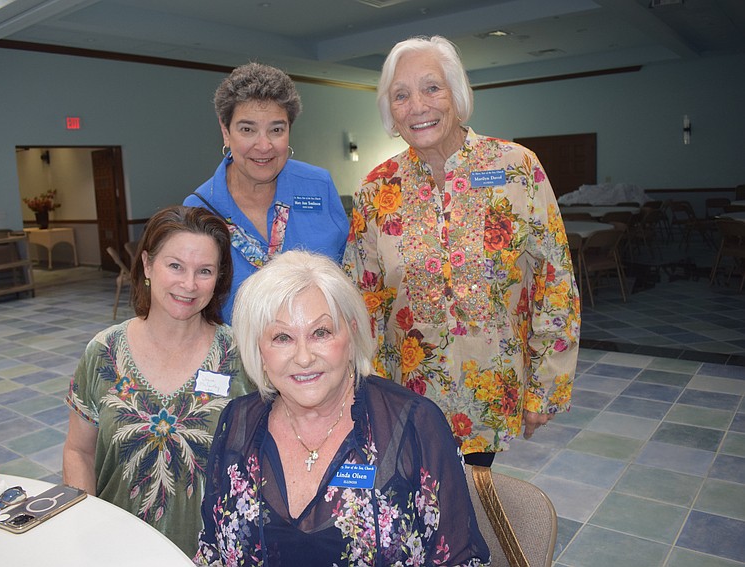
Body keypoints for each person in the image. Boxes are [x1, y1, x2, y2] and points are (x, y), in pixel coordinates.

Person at [344, 36, 580, 468]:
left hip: (489, 393)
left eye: (432, 87)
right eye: (402, 95)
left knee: (470, 508)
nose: (418, 105)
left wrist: (545, 387)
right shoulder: (377, 188)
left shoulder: (517, 168)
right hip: (405, 398)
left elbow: (555, 281)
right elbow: (362, 299)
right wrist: (364, 395)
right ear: (390, 112)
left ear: (457, 93)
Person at [195, 250, 490, 566]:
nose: (304, 357)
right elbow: (213, 551)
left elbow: (458, 559)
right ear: (259, 350)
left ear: (350, 334)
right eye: (282, 337)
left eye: (320, 333)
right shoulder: (239, 422)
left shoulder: (415, 424)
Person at [62, 205, 254, 555]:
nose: (189, 284)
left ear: (219, 278)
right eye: (175, 266)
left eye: (205, 271)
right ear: (148, 264)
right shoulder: (104, 353)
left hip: (212, 553)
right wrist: (83, 527)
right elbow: (79, 451)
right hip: (115, 549)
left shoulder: (243, 357)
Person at [184, 62, 349, 322]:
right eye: (247, 129)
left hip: (317, 352)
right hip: (238, 358)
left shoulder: (318, 185)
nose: (264, 145)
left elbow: (348, 275)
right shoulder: (199, 209)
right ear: (225, 131)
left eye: (276, 129)